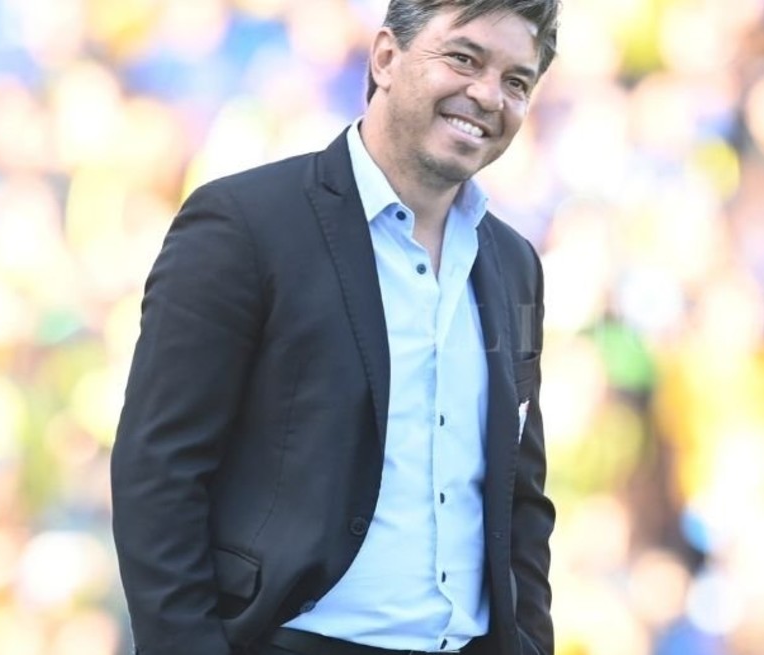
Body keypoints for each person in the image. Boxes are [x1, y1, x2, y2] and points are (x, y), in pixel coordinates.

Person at [109, 1, 560, 654]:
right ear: (385, 57)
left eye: (516, 81)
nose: (489, 94)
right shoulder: (244, 225)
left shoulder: (515, 264)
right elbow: (158, 474)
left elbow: (521, 498)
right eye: (465, 58)